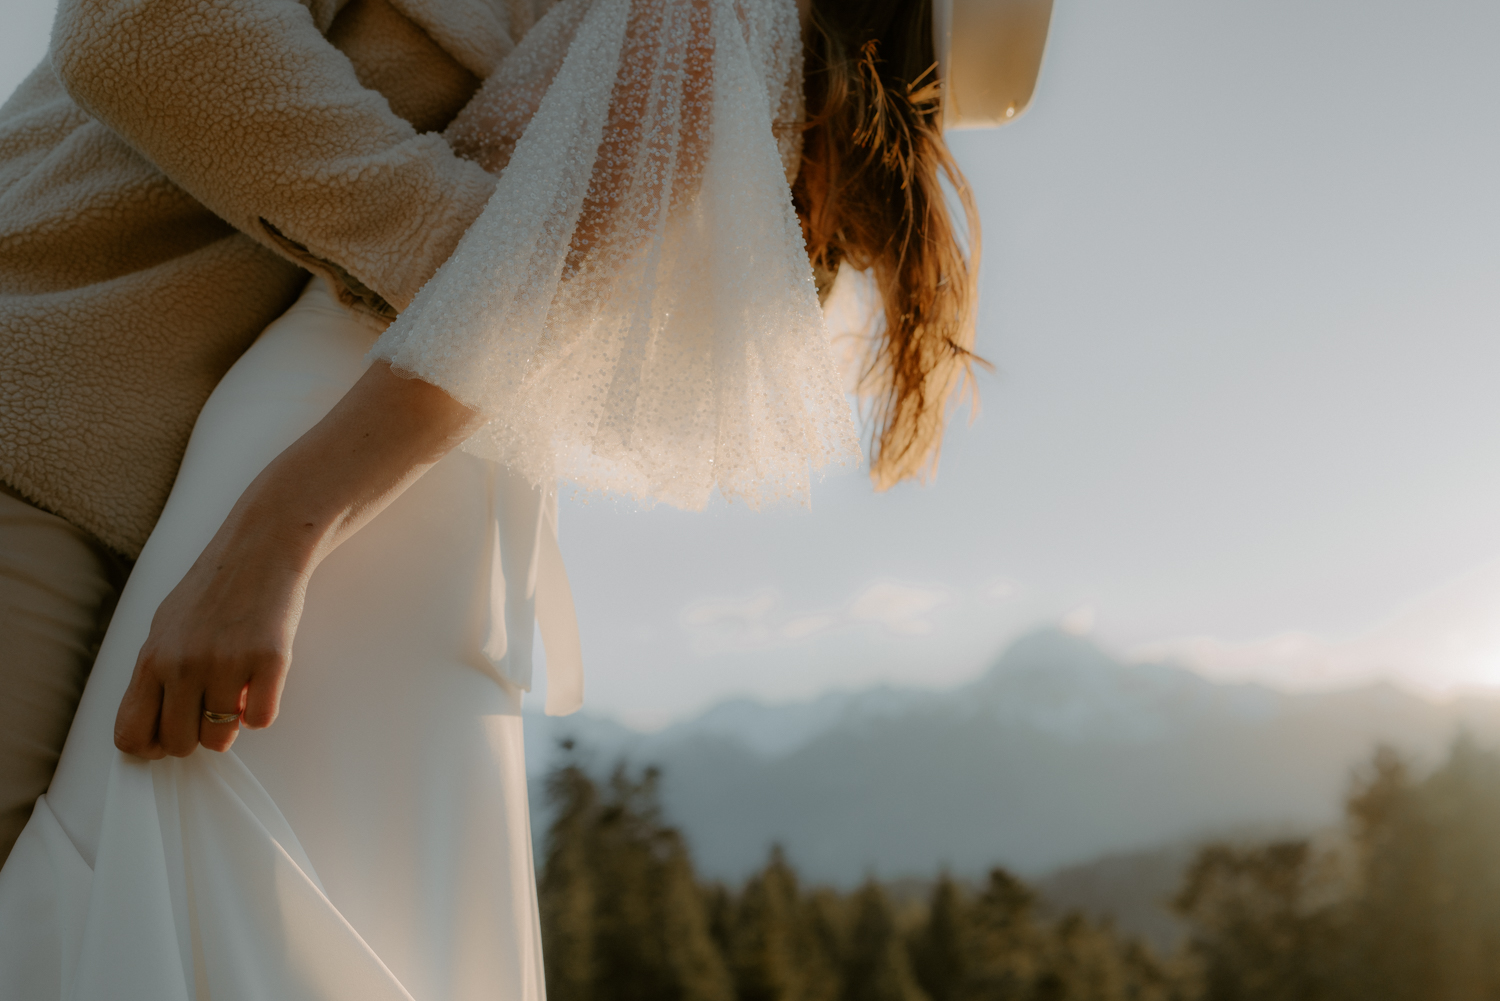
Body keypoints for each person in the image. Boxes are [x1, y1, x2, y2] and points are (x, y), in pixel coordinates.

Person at [0, 0, 1049, 995]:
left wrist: (507, 298)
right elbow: (140, 26)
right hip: (61, 436)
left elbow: (543, 289)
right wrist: (487, 268)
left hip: (332, 492)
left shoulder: (709, 25)